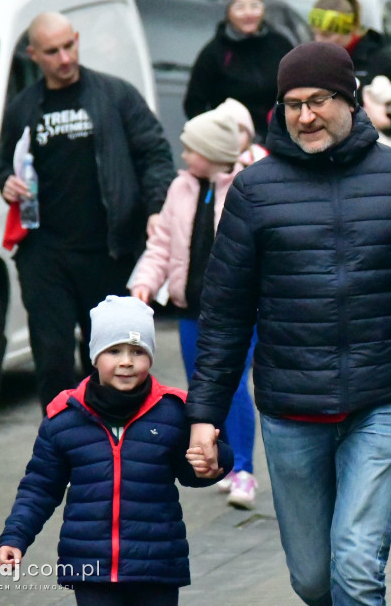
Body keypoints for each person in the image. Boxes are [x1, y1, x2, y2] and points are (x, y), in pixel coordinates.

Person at [186, 41, 391, 605]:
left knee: (354, 563)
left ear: (349, 98)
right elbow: (224, 315)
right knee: (314, 579)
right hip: (290, 412)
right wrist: (205, 416)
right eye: (293, 104)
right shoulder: (255, 192)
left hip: (379, 403)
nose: (306, 115)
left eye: (319, 100)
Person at [0, 296, 233, 605]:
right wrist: (16, 536)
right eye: (114, 351)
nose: (126, 361)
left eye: (138, 351)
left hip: (156, 566)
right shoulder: (65, 417)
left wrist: (214, 462)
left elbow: (194, 471)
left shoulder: (174, 412)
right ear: (95, 356)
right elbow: (40, 486)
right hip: (90, 568)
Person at [0, 11, 175, 412]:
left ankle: (112, 445)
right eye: (52, 51)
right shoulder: (23, 108)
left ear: (77, 39)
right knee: (53, 357)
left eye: (69, 45)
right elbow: (4, 165)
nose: (64, 58)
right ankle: (63, 446)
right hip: (45, 251)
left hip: (108, 248)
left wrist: (157, 206)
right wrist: (7, 180)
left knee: (109, 359)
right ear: (33, 55)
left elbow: (155, 152)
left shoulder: (115, 95)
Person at [129, 100, 260, 510]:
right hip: (191, 308)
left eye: (191, 149)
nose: (184, 156)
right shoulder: (180, 188)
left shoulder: (247, 188)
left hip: (238, 312)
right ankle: (218, 459)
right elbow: (161, 245)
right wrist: (144, 285)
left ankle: (244, 471)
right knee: (202, 391)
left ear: (214, 153)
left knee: (234, 384)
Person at [183, 0, 294, 141]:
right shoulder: (214, 53)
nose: (249, 13)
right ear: (227, 11)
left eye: (255, 5)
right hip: (233, 146)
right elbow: (194, 104)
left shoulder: (280, 44)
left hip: (281, 140)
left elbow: (298, 87)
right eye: (239, 7)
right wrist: (216, 136)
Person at [308, 0, 391, 139]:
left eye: (327, 35)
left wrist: (388, 123)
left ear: (350, 29)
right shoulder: (313, 64)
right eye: (315, 34)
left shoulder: (380, 61)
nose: (319, 41)